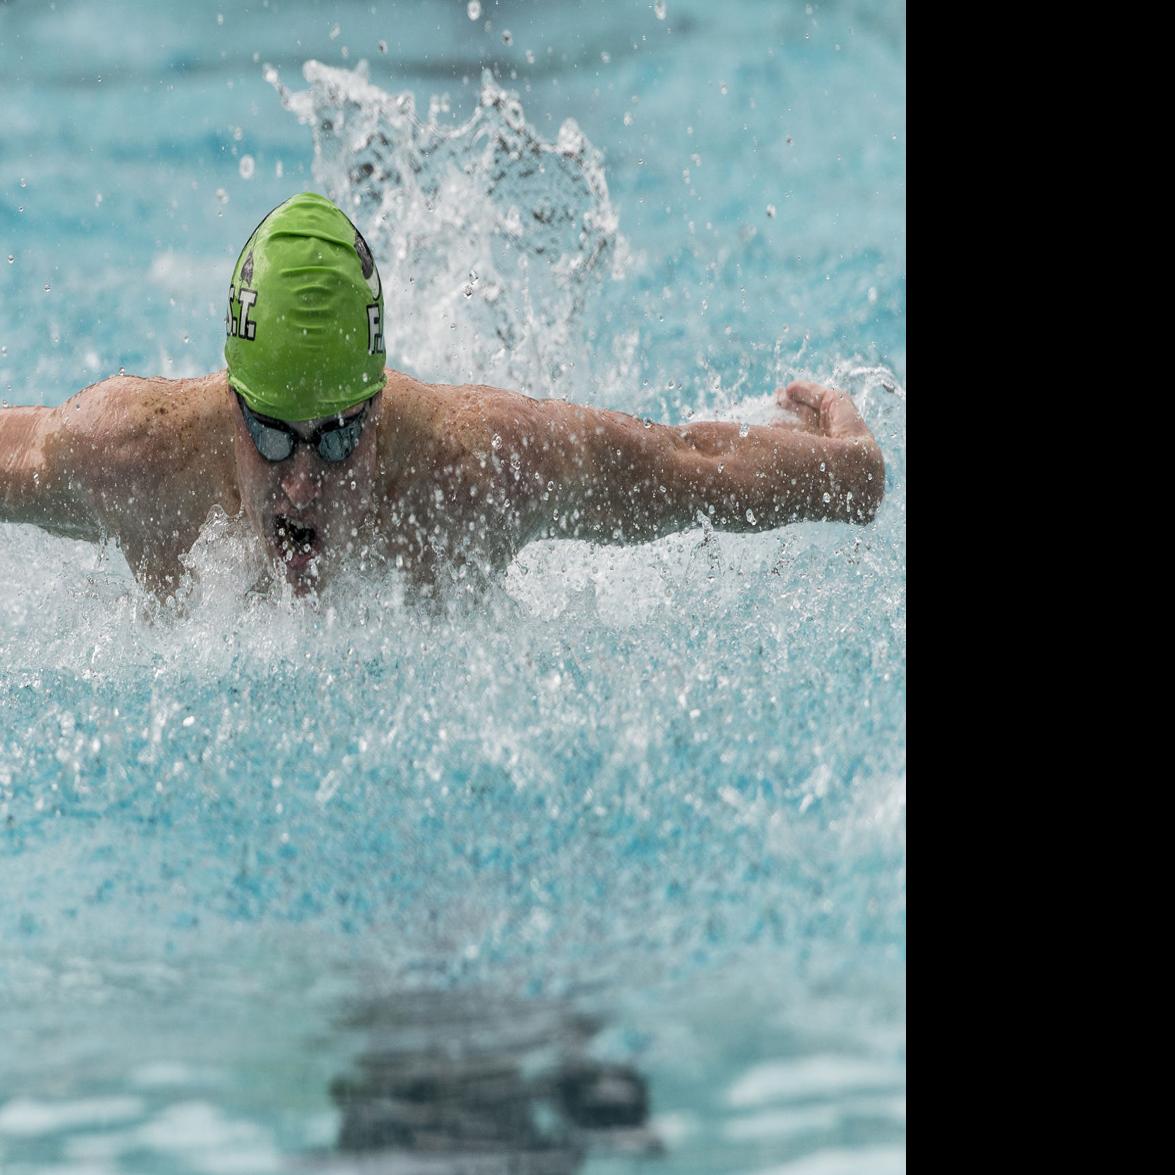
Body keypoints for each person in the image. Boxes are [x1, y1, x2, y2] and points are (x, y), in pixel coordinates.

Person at [0, 193, 884, 600]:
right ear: (231, 407)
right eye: (273, 438)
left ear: (380, 408)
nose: (303, 483)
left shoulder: (483, 465)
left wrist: (849, 469)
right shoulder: (130, 455)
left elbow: (686, 466)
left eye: (340, 439)